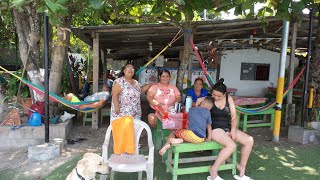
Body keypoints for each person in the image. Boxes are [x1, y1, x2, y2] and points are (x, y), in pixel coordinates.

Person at [197, 78, 254, 180]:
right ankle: (213, 170)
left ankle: (241, 167)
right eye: (214, 94)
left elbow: (234, 116)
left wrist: (233, 130)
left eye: (219, 96)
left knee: (249, 140)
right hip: (214, 129)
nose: (216, 97)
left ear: (224, 94)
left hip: (227, 128)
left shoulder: (229, 99)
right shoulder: (208, 99)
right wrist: (198, 102)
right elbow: (199, 115)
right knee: (231, 146)